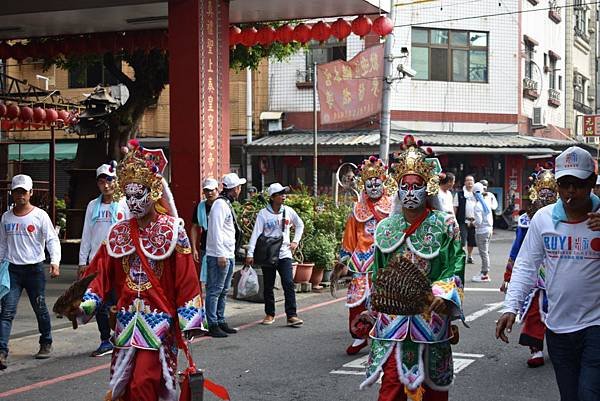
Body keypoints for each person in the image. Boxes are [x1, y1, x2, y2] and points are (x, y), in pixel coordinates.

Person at [59, 140, 207, 401]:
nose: (133, 202)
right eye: (128, 197)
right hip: (126, 321)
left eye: (139, 195)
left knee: (144, 383)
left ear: (154, 193)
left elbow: (187, 279)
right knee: (123, 384)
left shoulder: (173, 231)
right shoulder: (118, 233)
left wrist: (189, 318)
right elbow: (99, 276)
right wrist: (83, 305)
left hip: (160, 322)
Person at [361, 136, 465, 401]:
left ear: (427, 188)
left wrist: (443, 296)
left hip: (431, 316)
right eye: (404, 186)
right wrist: (374, 307)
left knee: (435, 388)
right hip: (393, 321)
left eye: (416, 186)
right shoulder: (385, 227)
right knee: (391, 386)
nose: (409, 192)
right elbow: (379, 275)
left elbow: (454, 266)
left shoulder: (446, 225)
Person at [496, 146, 600, 401]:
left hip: (596, 326)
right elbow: (527, 265)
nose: (571, 192)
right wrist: (511, 307)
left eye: (578, 184)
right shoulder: (542, 218)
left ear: (592, 183)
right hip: (558, 328)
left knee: (589, 395)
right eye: (564, 184)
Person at [0, 174, 61, 370]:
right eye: (17, 192)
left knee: (40, 308)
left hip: (34, 269)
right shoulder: (6, 217)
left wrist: (55, 262)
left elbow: (52, 239)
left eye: (24, 192)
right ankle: (1, 351)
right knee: (7, 311)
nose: (20, 196)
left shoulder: (40, 216)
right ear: (12, 194)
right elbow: (2, 244)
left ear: (31, 193)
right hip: (12, 271)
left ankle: (46, 341)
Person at [500, 167, 557, 368]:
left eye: (551, 194)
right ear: (535, 194)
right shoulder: (526, 220)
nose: (547, 197)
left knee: (556, 312)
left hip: (557, 271)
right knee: (533, 311)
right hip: (534, 274)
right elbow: (518, 250)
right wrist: (509, 274)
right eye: (543, 193)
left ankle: (558, 346)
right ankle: (536, 349)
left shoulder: (565, 216)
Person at [338, 156, 392, 355]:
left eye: (377, 183)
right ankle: (360, 335)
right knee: (357, 301)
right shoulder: (357, 210)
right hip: (361, 261)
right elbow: (349, 235)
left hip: (386, 259)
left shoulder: (393, 208)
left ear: (383, 183)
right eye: (369, 184)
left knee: (386, 299)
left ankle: (384, 334)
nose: (373, 187)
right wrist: (343, 260)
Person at [78, 163, 129, 357]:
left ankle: (122, 336)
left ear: (116, 181)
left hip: (120, 260)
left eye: (109, 180)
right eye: (102, 182)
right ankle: (104, 340)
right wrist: (83, 262)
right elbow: (87, 234)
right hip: (97, 262)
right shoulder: (93, 205)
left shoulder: (125, 203)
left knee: (119, 300)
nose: (106, 186)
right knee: (98, 301)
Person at [246, 182, 305, 327]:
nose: (284, 196)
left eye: (284, 193)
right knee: (268, 285)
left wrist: (295, 241)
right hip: (268, 254)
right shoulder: (263, 214)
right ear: (273, 197)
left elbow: (300, 224)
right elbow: (256, 234)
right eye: (281, 194)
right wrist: (250, 253)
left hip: (284, 253)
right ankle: (270, 313)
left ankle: (291, 315)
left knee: (288, 283)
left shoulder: (289, 211)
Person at [205, 172, 245, 338]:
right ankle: (212, 322)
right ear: (234, 188)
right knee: (215, 290)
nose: (240, 189)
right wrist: (221, 254)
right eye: (239, 187)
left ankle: (221, 320)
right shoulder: (220, 205)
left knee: (224, 289)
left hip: (228, 253)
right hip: (219, 254)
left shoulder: (225, 203)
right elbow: (215, 230)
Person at [190, 178, 220, 284]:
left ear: (217, 190)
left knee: (220, 281)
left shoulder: (222, 205)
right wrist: (194, 248)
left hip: (221, 246)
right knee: (208, 279)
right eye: (207, 191)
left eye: (212, 190)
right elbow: (194, 227)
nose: (209, 193)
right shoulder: (200, 207)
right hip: (205, 246)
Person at [472, 182, 494, 282]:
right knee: (485, 252)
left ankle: (484, 273)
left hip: (481, 231)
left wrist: (473, 223)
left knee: (483, 253)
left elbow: (479, 222)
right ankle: (484, 272)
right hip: (489, 230)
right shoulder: (486, 202)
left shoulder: (477, 205)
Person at [453, 175, 476, 263]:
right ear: (465, 182)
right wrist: (454, 220)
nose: (470, 182)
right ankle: (461, 256)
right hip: (462, 220)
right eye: (468, 180)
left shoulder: (476, 194)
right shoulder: (460, 194)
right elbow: (455, 207)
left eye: (471, 180)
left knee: (472, 240)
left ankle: (469, 256)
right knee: (462, 240)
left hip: (474, 221)